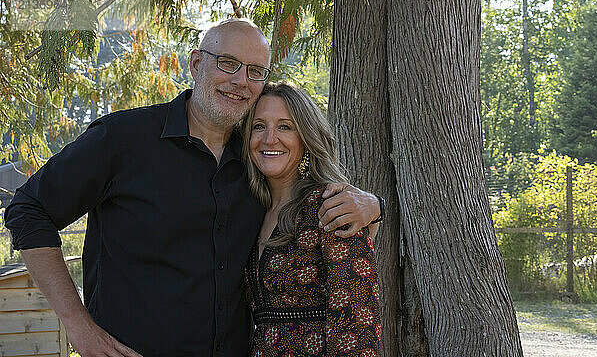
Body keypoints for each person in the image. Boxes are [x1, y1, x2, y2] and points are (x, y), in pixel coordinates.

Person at [4, 19, 383, 356]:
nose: (240, 81)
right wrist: (79, 326)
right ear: (197, 63)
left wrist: (374, 204)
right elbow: (28, 210)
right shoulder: (124, 139)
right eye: (228, 63)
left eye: (255, 71)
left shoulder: (255, 159)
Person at [242, 82, 381, 356]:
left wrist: (377, 206)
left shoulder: (331, 205)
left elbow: (357, 322)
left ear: (306, 137)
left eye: (285, 126)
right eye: (259, 126)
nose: (270, 138)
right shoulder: (250, 211)